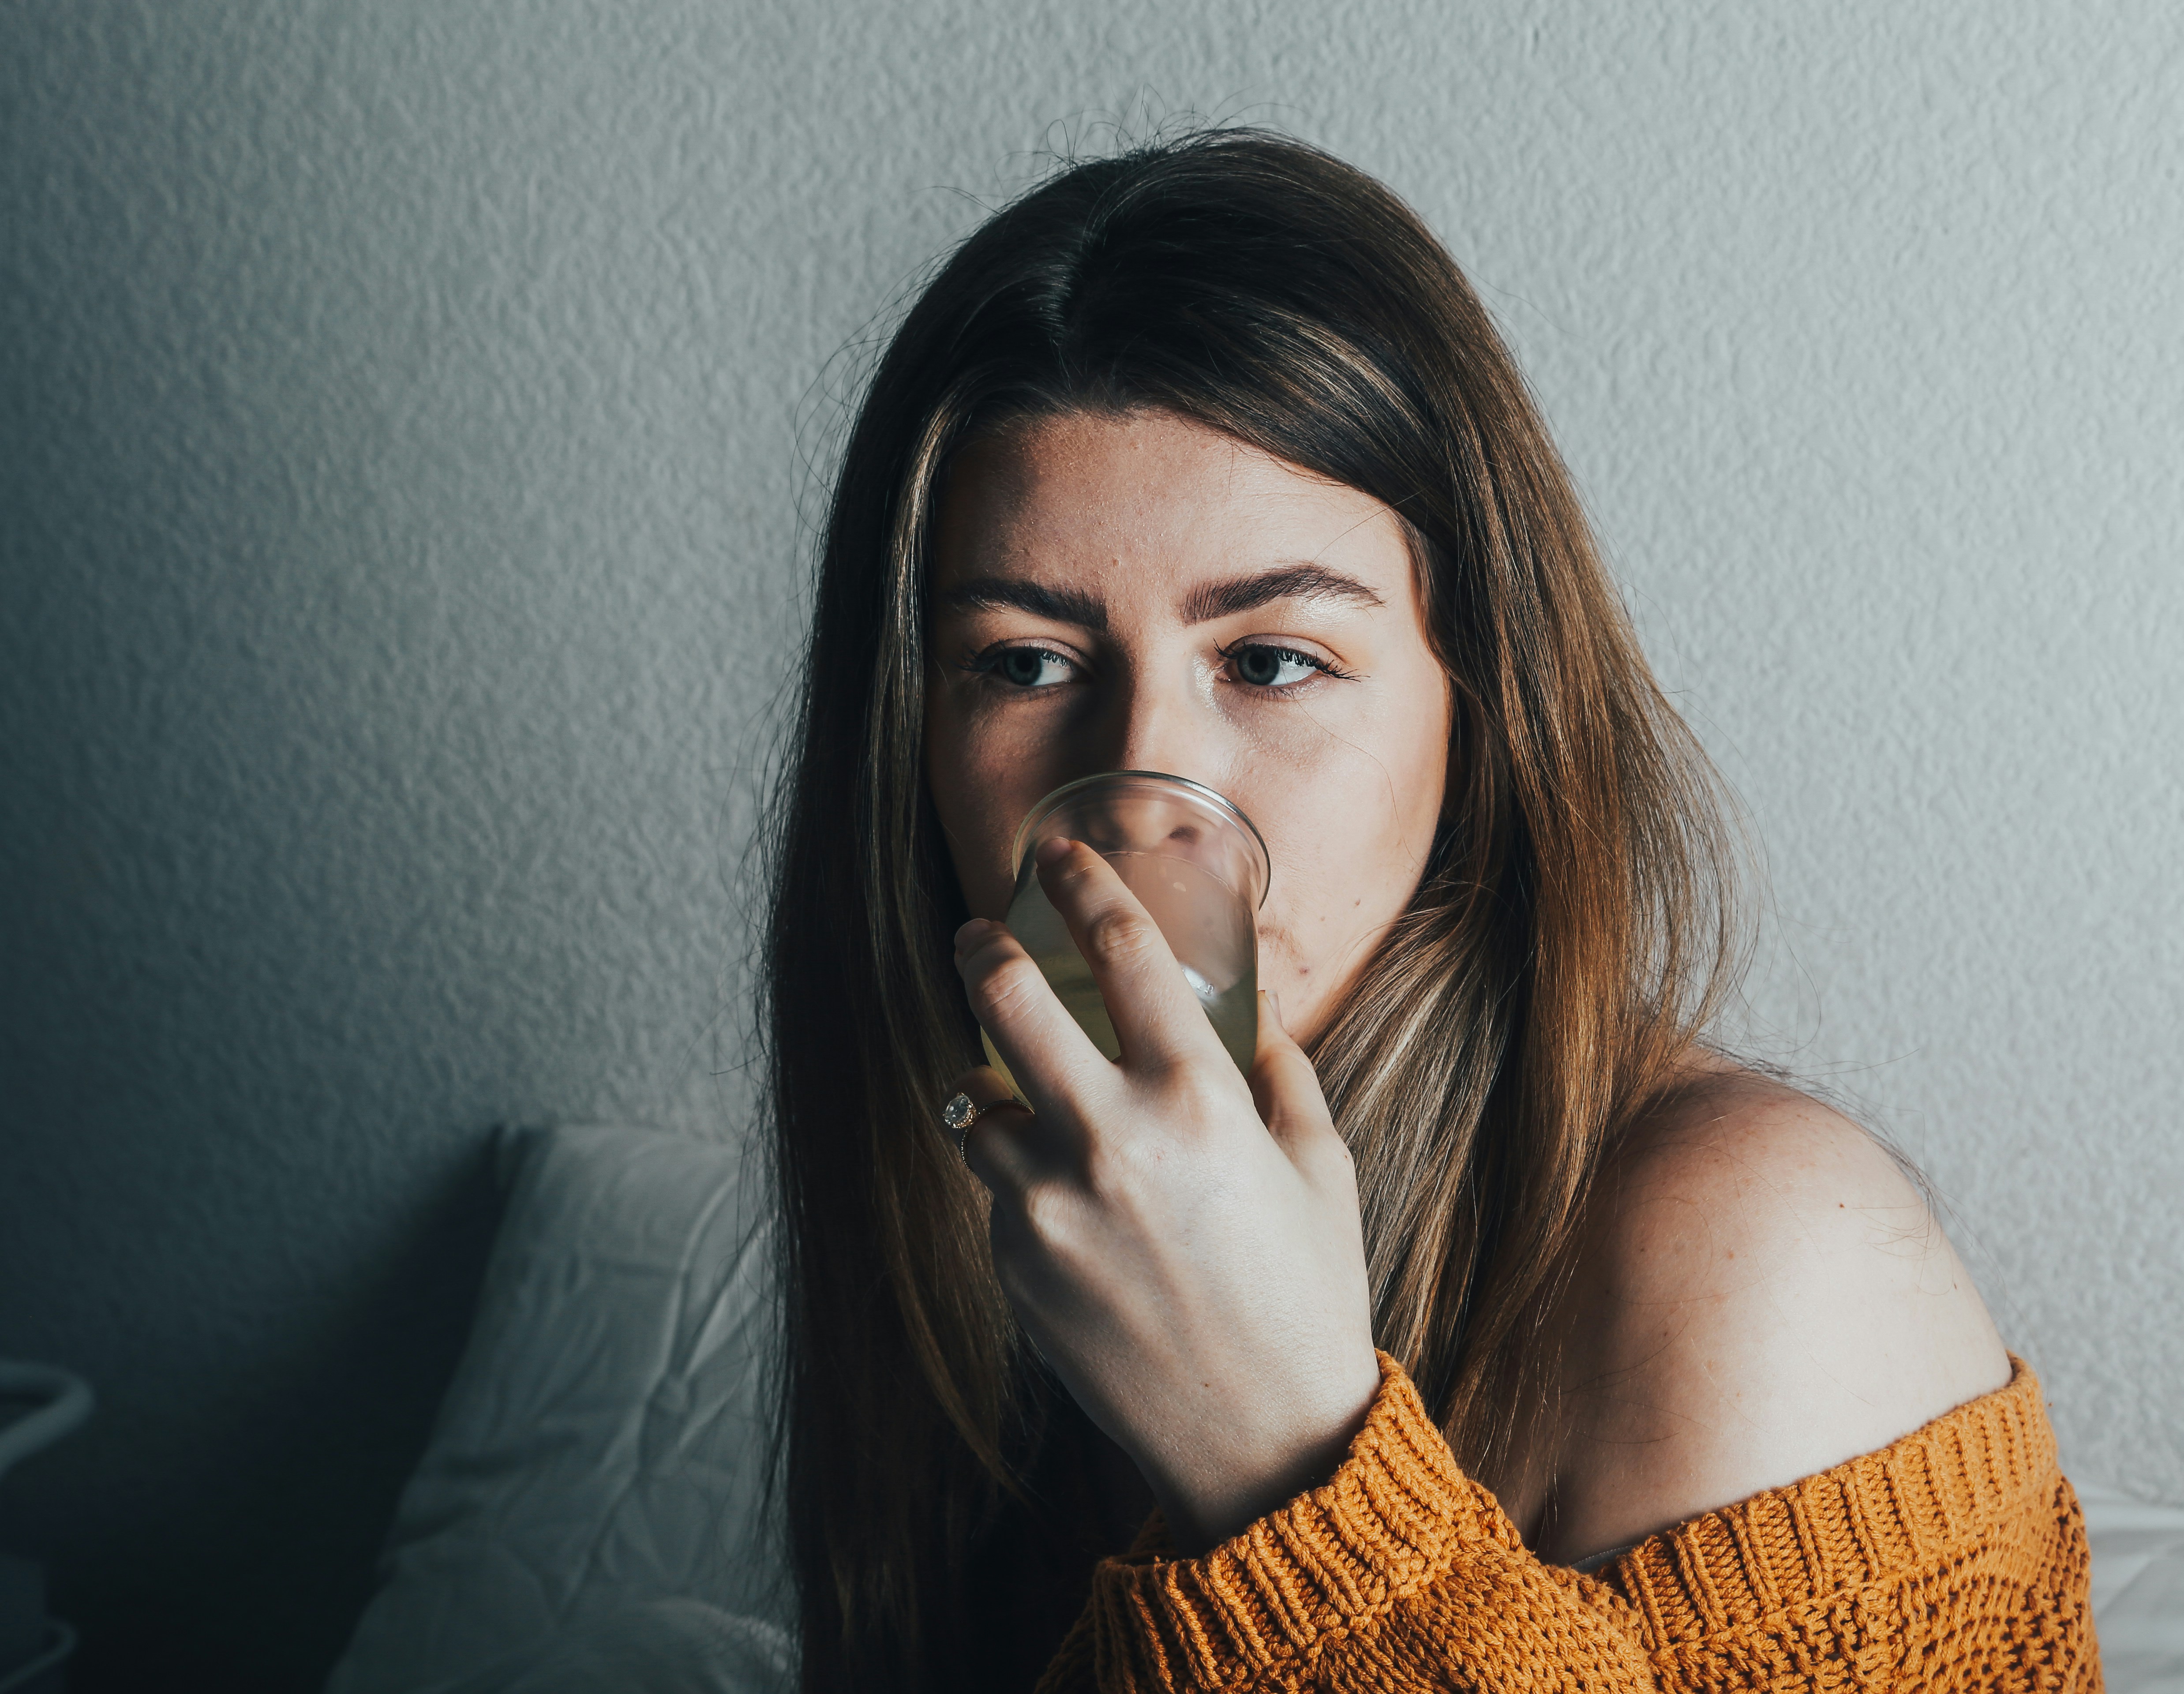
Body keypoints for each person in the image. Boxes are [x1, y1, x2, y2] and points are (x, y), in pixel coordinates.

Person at [762, 130, 2098, 1693]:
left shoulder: (1768, 1264)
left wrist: (1282, 1468)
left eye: (1271, 661)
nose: (1143, 797)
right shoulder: (980, 1211)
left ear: (1483, 710)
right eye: (1025, 664)